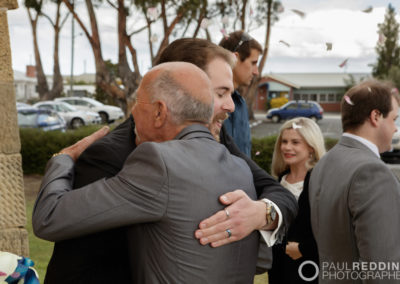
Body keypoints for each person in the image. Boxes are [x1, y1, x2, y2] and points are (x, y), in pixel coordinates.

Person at [42, 38, 298, 284]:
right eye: (220, 93)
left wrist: (262, 213)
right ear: (184, 87)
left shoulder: (220, 143)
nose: (230, 106)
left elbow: (277, 193)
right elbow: (77, 265)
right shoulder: (109, 154)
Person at [309, 79, 400, 284]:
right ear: (376, 116)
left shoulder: (324, 163)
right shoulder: (372, 172)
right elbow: (382, 271)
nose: (395, 128)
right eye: (394, 119)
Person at [268, 118, 325, 284]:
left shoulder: (320, 182)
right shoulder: (278, 181)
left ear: (311, 147)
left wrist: (304, 249)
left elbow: (333, 228)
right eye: (284, 141)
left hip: (310, 270)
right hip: (279, 270)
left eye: (295, 142)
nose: (287, 147)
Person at [219, 30, 262, 156]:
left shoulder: (241, 103)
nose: (256, 72)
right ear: (235, 58)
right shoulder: (208, 102)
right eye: (253, 63)